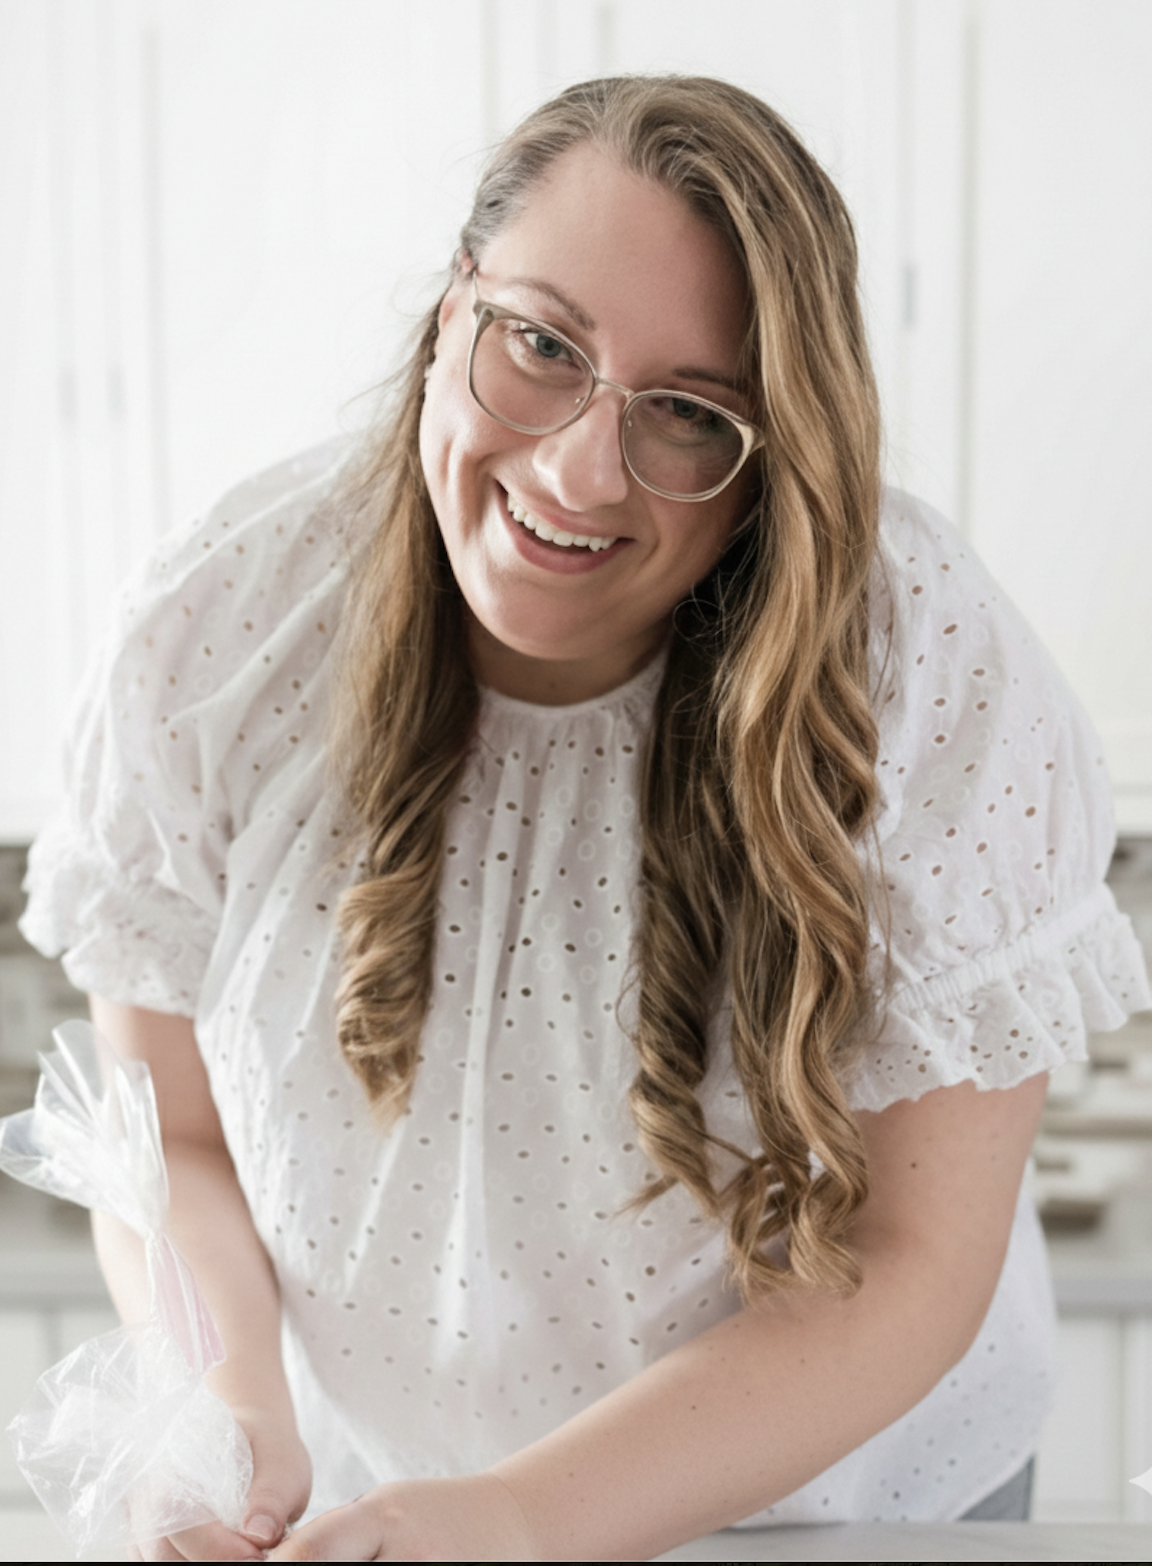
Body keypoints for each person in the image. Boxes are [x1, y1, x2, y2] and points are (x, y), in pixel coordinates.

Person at [20, 75, 1149, 1561]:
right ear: (449, 315)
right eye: (540, 344)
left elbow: (909, 1264)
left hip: (826, 1518)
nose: (576, 468)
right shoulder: (223, 626)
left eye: (689, 414)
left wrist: (519, 1514)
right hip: (396, 1504)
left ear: (771, 465)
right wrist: (233, 1399)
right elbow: (175, 1138)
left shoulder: (928, 677)